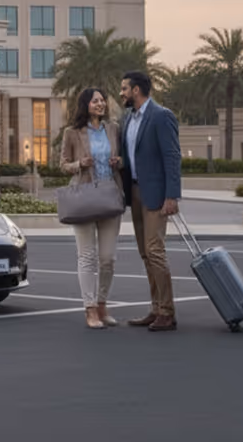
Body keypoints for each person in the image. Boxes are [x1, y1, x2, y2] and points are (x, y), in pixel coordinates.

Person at [119, 70, 182, 332]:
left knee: (155, 251)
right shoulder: (128, 119)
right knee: (146, 253)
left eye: (124, 88)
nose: (121, 92)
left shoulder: (161, 116)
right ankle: (156, 308)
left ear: (136, 90)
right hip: (134, 192)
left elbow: (172, 156)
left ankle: (167, 312)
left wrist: (172, 195)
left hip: (156, 194)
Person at [60, 88, 125, 329]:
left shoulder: (113, 129)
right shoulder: (72, 132)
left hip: (110, 194)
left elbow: (123, 158)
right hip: (84, 197)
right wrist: (79, 164)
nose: (101, 104)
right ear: (86, 104)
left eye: (102, 100)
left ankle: (102, 305)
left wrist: (119, 162)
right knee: (86, 256)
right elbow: (62, 164)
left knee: (108, 258)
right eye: (96, 101)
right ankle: (89, 310)